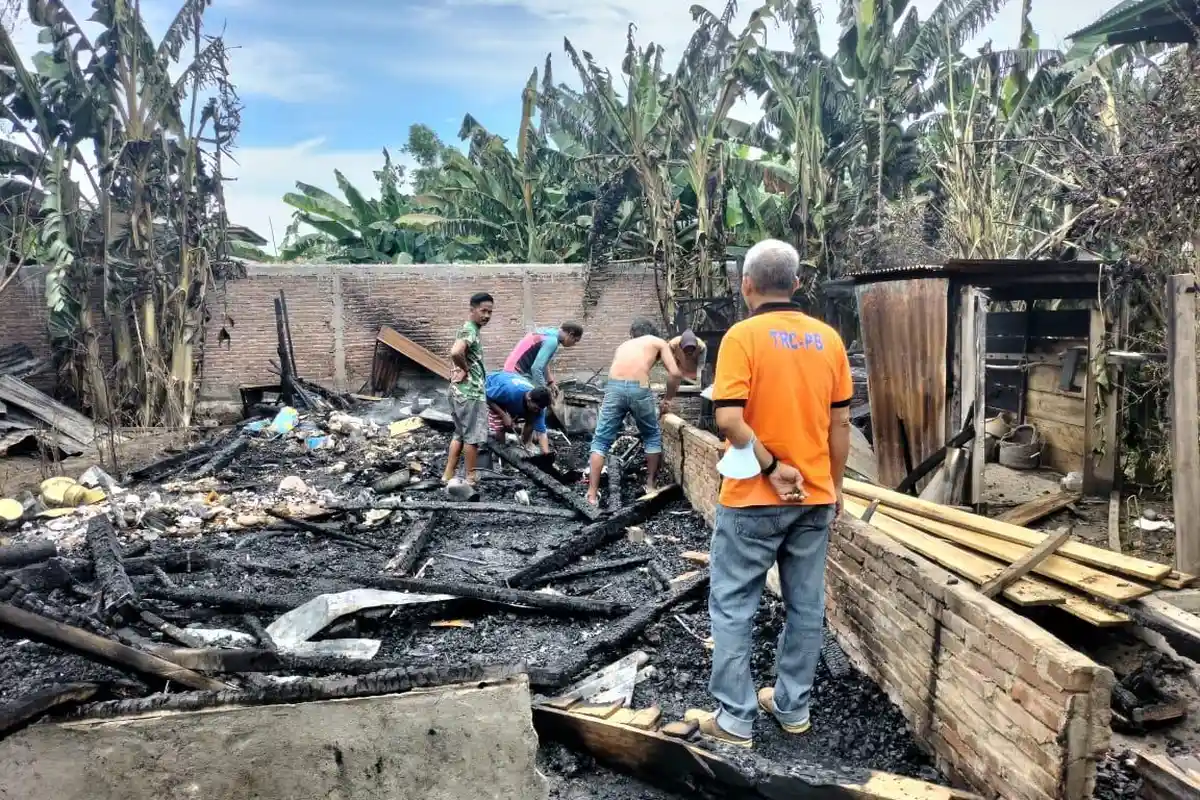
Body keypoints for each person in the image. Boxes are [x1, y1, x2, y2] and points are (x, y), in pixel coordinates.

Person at [683, 239, 852, 748]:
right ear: (796, 284)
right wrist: (834, 486)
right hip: (814, 498)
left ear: (746, 285)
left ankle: (735, 720)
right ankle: (792, 707)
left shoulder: (743, 337)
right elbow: (840, 424)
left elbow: (729, 418)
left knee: (734, 605)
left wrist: (774, 467)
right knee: (806, 606)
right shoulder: (829, 340)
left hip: (753, 498)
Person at [585, 319, 682, 506]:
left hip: (614, 386)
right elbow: (676, 373)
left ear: (632, 334)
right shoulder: (657, 341)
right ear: (652, 332)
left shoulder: (624, 345)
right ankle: (650, 486)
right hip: (639, 385)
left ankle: (591, 495)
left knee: (601, 440)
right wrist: (667, 399)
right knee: (651, 436)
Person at [442, 292, 494, 487]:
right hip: (470, 393)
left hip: (458, 392)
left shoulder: (470, 329)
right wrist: (465, 369)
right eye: (483, 311)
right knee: (472, 437)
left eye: (490, 312)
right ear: (472, 310)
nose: (487, 315)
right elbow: (456, 352)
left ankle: (448, 475)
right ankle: (471, 478)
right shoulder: (470, 329)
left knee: (460, 434)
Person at [485, 371, 553, 454]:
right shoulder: (509, 391)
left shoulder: (539, 406)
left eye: (539, 409)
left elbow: (542, 433)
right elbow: (486, 396)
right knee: (500, 426)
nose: (537, 411)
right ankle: (501, 452)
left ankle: (522, 446)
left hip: (511, 392)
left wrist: (546, 454)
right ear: (529, 398)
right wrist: (503, 415)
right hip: (492, 388)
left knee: (531, 419)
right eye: (535, 408)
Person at [503, 322, 584, 388]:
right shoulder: (552, 341)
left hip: (509, 369)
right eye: (575, 340)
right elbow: (536, 369)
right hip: (515, 374)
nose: (574, 344)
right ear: (571, 335)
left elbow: (543, 364)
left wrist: (550, 382)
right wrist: (545, 392)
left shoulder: (548, 332)